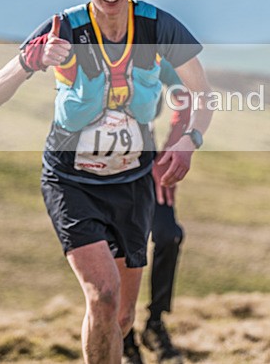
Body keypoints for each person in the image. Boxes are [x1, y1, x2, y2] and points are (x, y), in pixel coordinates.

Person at [0, 0, 212, 364]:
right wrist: (28, 62)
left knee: (121, 317)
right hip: (71, 181)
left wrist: (189, 141)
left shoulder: (158, 27)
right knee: (103, 295)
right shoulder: (64, 29)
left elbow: (202, 95)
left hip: (132, 183)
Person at [123, 60, 190, 364]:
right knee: (119, 247)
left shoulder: (149, 54)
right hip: (100, 163)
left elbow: (186, 94)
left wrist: (172, 148)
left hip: (147, 158)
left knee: (168, 235)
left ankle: (155, 323)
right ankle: (123, 335)